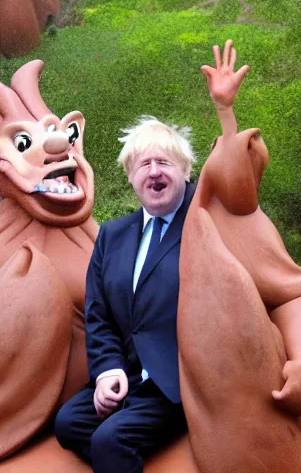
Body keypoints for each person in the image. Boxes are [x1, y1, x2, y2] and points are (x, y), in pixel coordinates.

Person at [54, 116, 196, 472]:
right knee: (69, 424)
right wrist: (107, 371)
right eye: (143, 164)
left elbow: (235, 179)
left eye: (163, 162)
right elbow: (97, 314)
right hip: (129, 377)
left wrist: (225, 112)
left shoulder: (205, 220)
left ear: (185, 170)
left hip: (179, 381)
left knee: (110, 440)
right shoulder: (112, 236)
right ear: (131, 177)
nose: (153, 172)